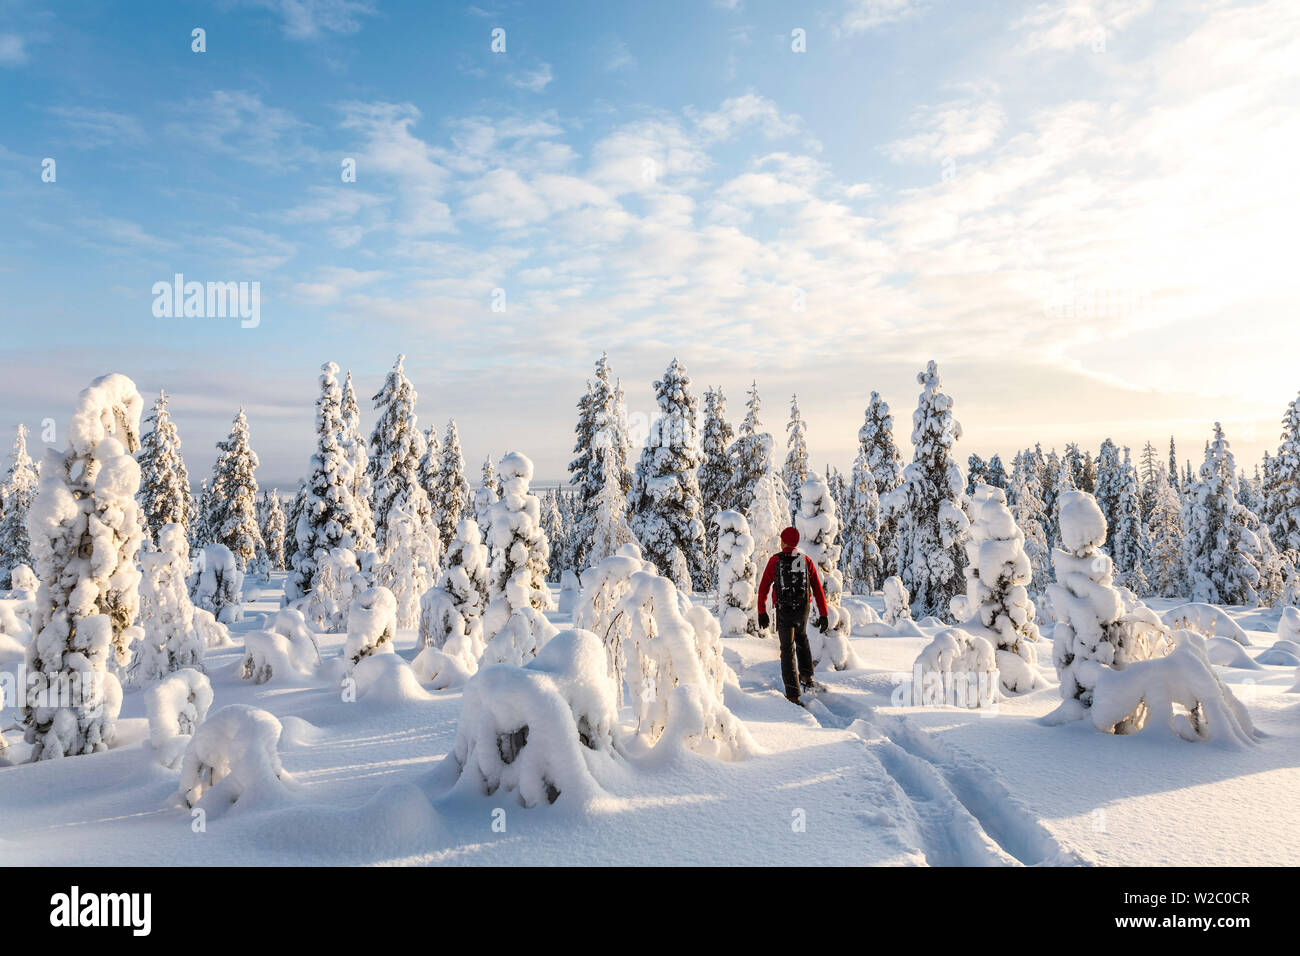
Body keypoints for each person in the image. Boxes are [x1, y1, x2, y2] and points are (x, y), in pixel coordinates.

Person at [757, 526, 829, 706]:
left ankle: (793, 694)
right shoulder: (805, 561)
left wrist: (761, 612)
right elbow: (818, 590)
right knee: (802, 638)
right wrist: (823, 613)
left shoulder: (775, 561)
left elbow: (764, 587)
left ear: (783, 542)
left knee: (787, 650)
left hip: (784, 610)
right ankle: (807, 677)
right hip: (802, 609)